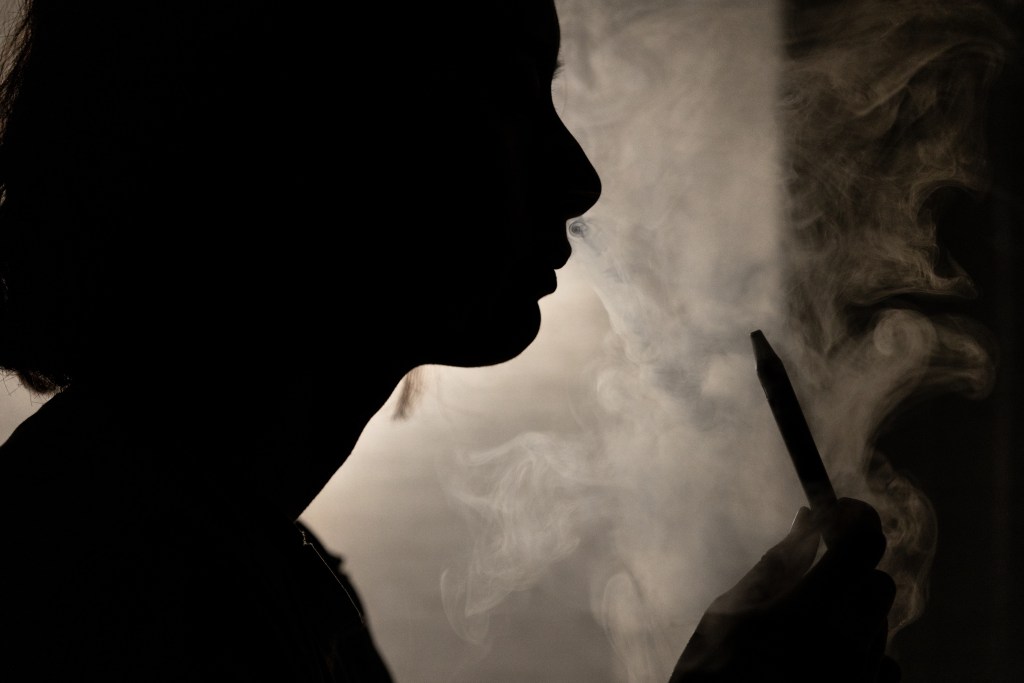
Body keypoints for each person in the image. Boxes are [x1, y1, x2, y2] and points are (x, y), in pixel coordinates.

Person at [0, 0, 898, 680]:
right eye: (510, 92)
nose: (579, 179)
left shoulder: (225, 556)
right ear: (312, 122)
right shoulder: (115, 582)